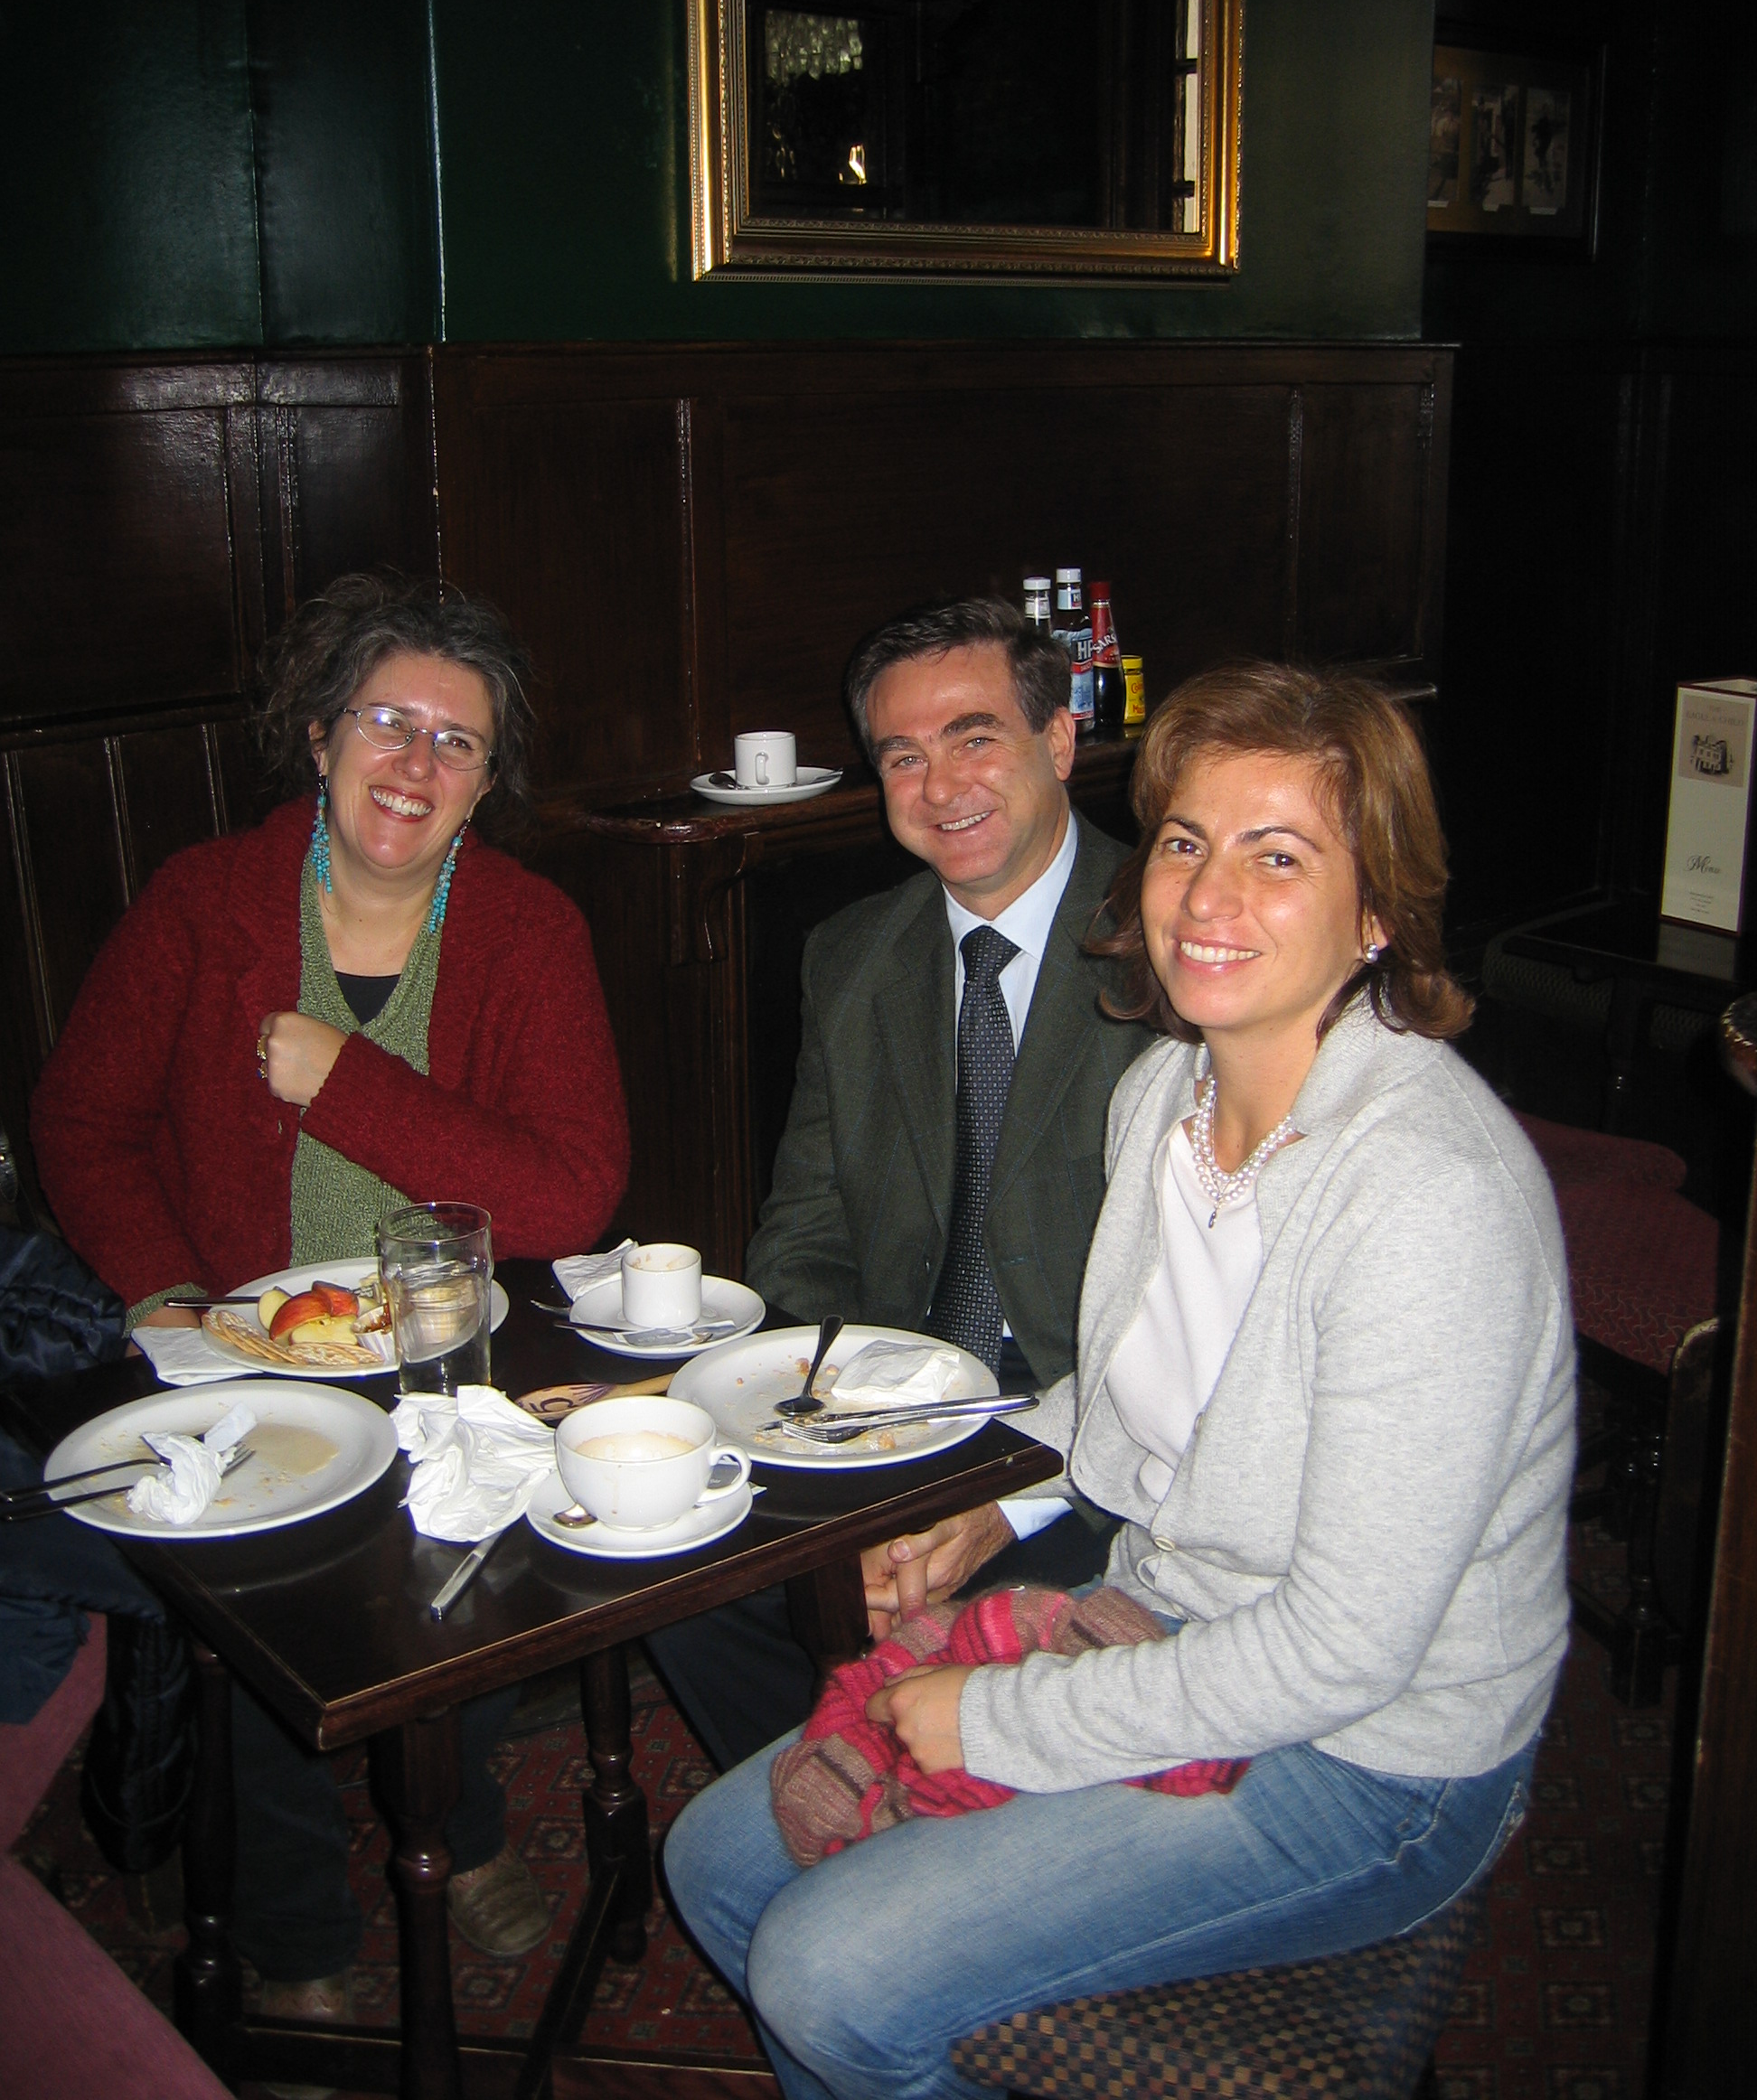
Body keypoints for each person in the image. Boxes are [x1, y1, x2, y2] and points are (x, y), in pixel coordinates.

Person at [663, 661, 1575, 2100]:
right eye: (1186, 842)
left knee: (826, 1972)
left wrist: (1000, 1722)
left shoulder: (1426, 1198)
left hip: (1371, 1759)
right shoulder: (1166, 1096)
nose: (1209, 897)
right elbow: (1127, 1381)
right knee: (715, 1861)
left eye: (1281, 857)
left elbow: (1345, 1651)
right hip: (1168, 1619)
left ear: (1379, 912)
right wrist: (993, 1505)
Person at [32, 571, 630, 2039]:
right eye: (386, 722)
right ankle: (299, 1928)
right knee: (268, 1639)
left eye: (457, 741)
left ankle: (466, 1827)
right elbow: (83, 1126)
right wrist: (170, 1293)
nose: (416, 763)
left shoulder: (529, 932)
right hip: (239, 1358)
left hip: (445, 1356)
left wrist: (342, 1081)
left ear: (486, 782)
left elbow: (572, 1193)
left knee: (466, 1585)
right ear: (319, 735)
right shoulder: (204, 906)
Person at [647, 599, 1152, 1767]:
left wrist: (1004, 1495)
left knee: (971, 1637)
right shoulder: (853, 955)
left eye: (975, 737)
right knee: (679, 1566)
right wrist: (853, 1447)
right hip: (900, 1400)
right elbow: (804, 1238)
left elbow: (1196, 1321)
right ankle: (848, 1807)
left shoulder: (1174, 941)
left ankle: (905, 1806)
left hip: (1101, 1426)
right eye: (903, 756)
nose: (940, 786)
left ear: (1059, 741)